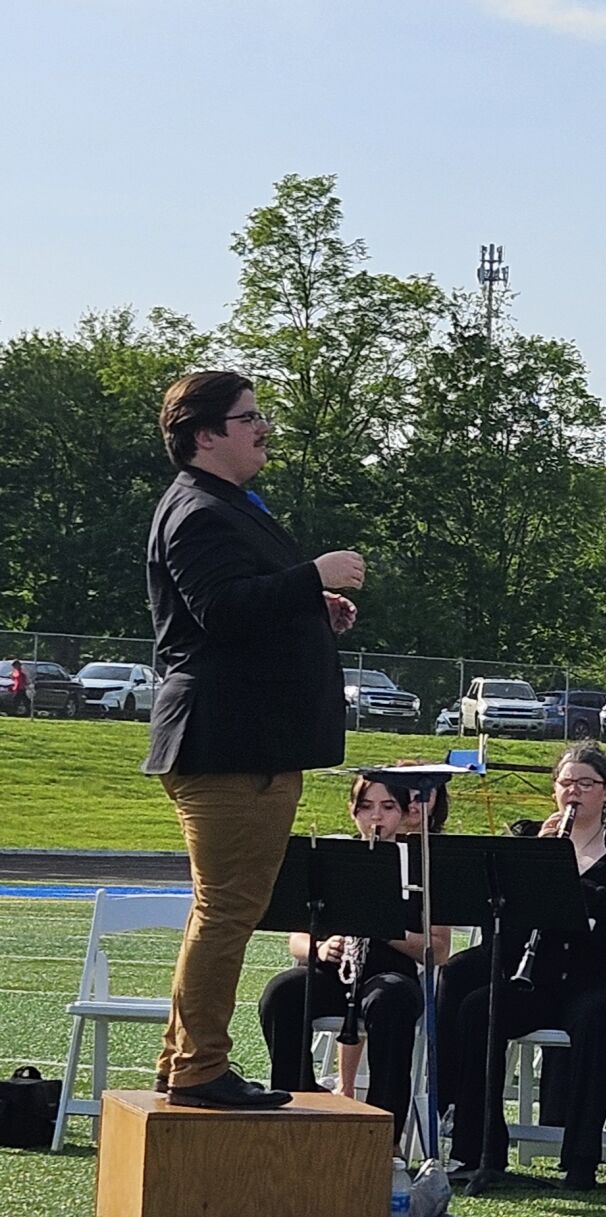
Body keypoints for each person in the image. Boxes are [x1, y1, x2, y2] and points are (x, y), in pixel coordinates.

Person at [145, 371, 364, 1109]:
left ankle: (184, 1059)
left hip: (247, 745)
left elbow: (242, 607)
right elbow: (221, 610)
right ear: (205, 435)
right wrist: (311, 577)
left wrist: (310, 608)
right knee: (227, 908)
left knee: (225, 906)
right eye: (248, 417)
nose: (263, 427)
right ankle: (200, 1067)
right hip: (226, 748)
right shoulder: (199, 510)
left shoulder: (227, 505)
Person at [441, 741, 606, 1189]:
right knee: (480, 1009)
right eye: (566, 783)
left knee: (595, 1019)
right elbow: (502, 929)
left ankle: (580, 1161)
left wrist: (571, 875)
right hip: (541, 978)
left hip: (601, 979)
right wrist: (535, 864)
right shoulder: (530, 838)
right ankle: (479, 1151)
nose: (574, 793)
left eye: (586, 784)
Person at [257, 775, 448, 1143]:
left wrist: (385, 929)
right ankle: (298, 1106)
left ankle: (383, 1133)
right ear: (352, 811)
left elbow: (439, 949)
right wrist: (319, 948)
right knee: (282, 993)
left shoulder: (421, 864)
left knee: (390, 1001)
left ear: (403, 811)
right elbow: (295, 938)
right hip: (332, 969)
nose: (376, 817)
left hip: (390, 973)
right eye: (366, 807)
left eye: (387, 807)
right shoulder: (329, 856)